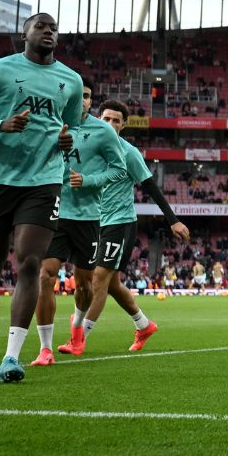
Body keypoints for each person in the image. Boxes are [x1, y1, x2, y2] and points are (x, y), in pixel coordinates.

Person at [0, 12, 85, 382]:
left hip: (43, 181)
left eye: (54, 27)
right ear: (23, 32)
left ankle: (11, 357)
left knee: (29, 264)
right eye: (40, 25)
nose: (48, 31)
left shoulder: (71, 81)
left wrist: (65, 139)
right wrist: (0, 125)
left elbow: (69, 126)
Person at [65, 99, 189, 355]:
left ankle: (79, 338)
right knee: (112, 285)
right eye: (106, 118)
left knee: (98, 279)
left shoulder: (128, 152)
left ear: (124, 125)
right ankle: (144, 325)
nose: (110, 124)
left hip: (119, 223)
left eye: (116, 120)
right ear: (98, 119)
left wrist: (173, 219)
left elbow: (150, 185)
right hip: (92, 221)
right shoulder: (87, 145)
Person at [34, 77, 126, 365]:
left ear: (90, 100)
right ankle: (46, 349)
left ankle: (77, 328)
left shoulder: (103, 132)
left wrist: (89, 180)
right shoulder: (51, 125)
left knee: (84, 286)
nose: (83, 100)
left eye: (87, 96)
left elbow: (119, 169)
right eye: (78, 95)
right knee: (45, 275)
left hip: (88, 217)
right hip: (55, 211)